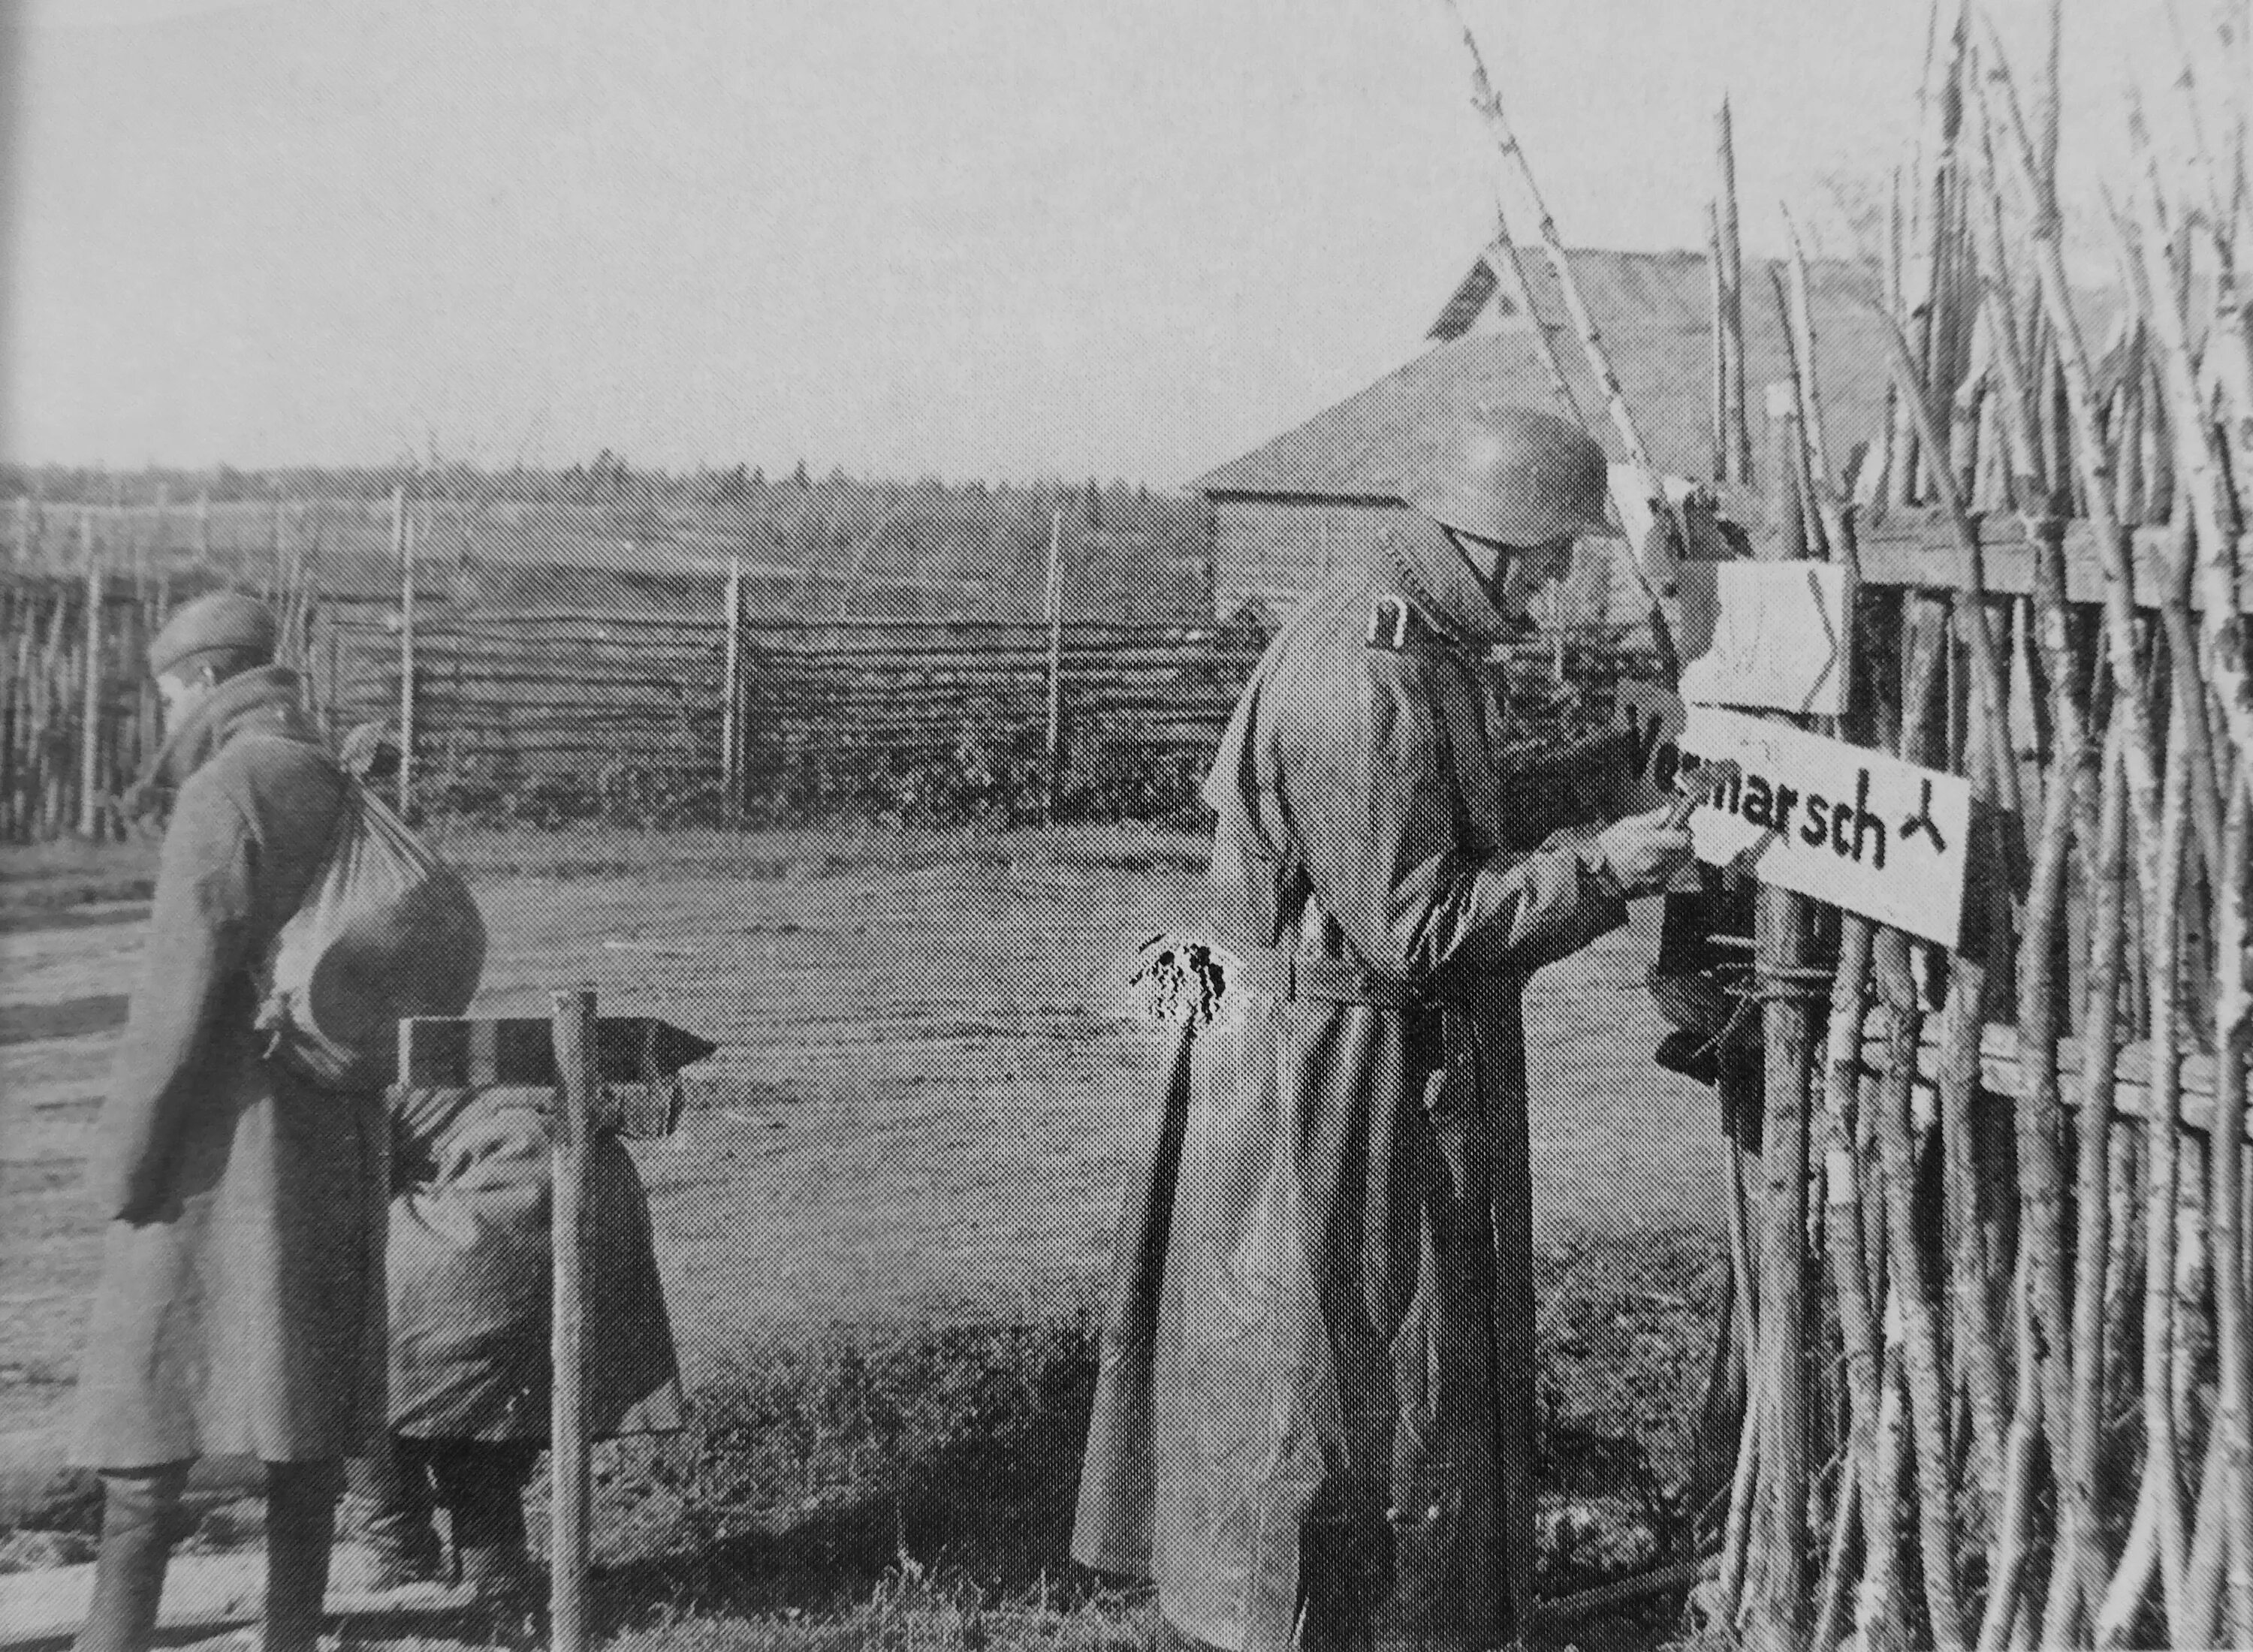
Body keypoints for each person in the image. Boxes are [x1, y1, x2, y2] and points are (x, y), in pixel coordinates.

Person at [1072, 407, 1694, 1652]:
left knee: (1352, 1372)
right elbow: (1418, 922)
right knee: (1318, 1385)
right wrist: (1608, 870)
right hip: (1326, 1079)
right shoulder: (1371, 670)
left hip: (1342, 1063)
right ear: (1492, 543)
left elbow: (1435, 811)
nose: (1563, 580)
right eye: (1555, 554)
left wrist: (1589, 770)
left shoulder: (1411, 639)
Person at [70, 591, 386, 1652]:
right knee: (300, 1408)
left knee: (145, 1410)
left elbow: (174, 999)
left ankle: (112, 1640)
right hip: (330, 1127)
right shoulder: (335, 776)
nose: (164, 714)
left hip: (218, 1146)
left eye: (167, 692)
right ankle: (290, 1637)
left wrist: (125, 1162)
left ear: (205, 681)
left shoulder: (224, 789)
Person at [344, 1081, 684, 1612]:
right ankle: (495, 1576)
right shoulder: (498, 1054)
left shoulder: (356, 1056)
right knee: (483, 1400)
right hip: (592, 1207)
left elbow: (349, 1180)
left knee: (357, 1373)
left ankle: (400, 1561)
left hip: (488, 1216)